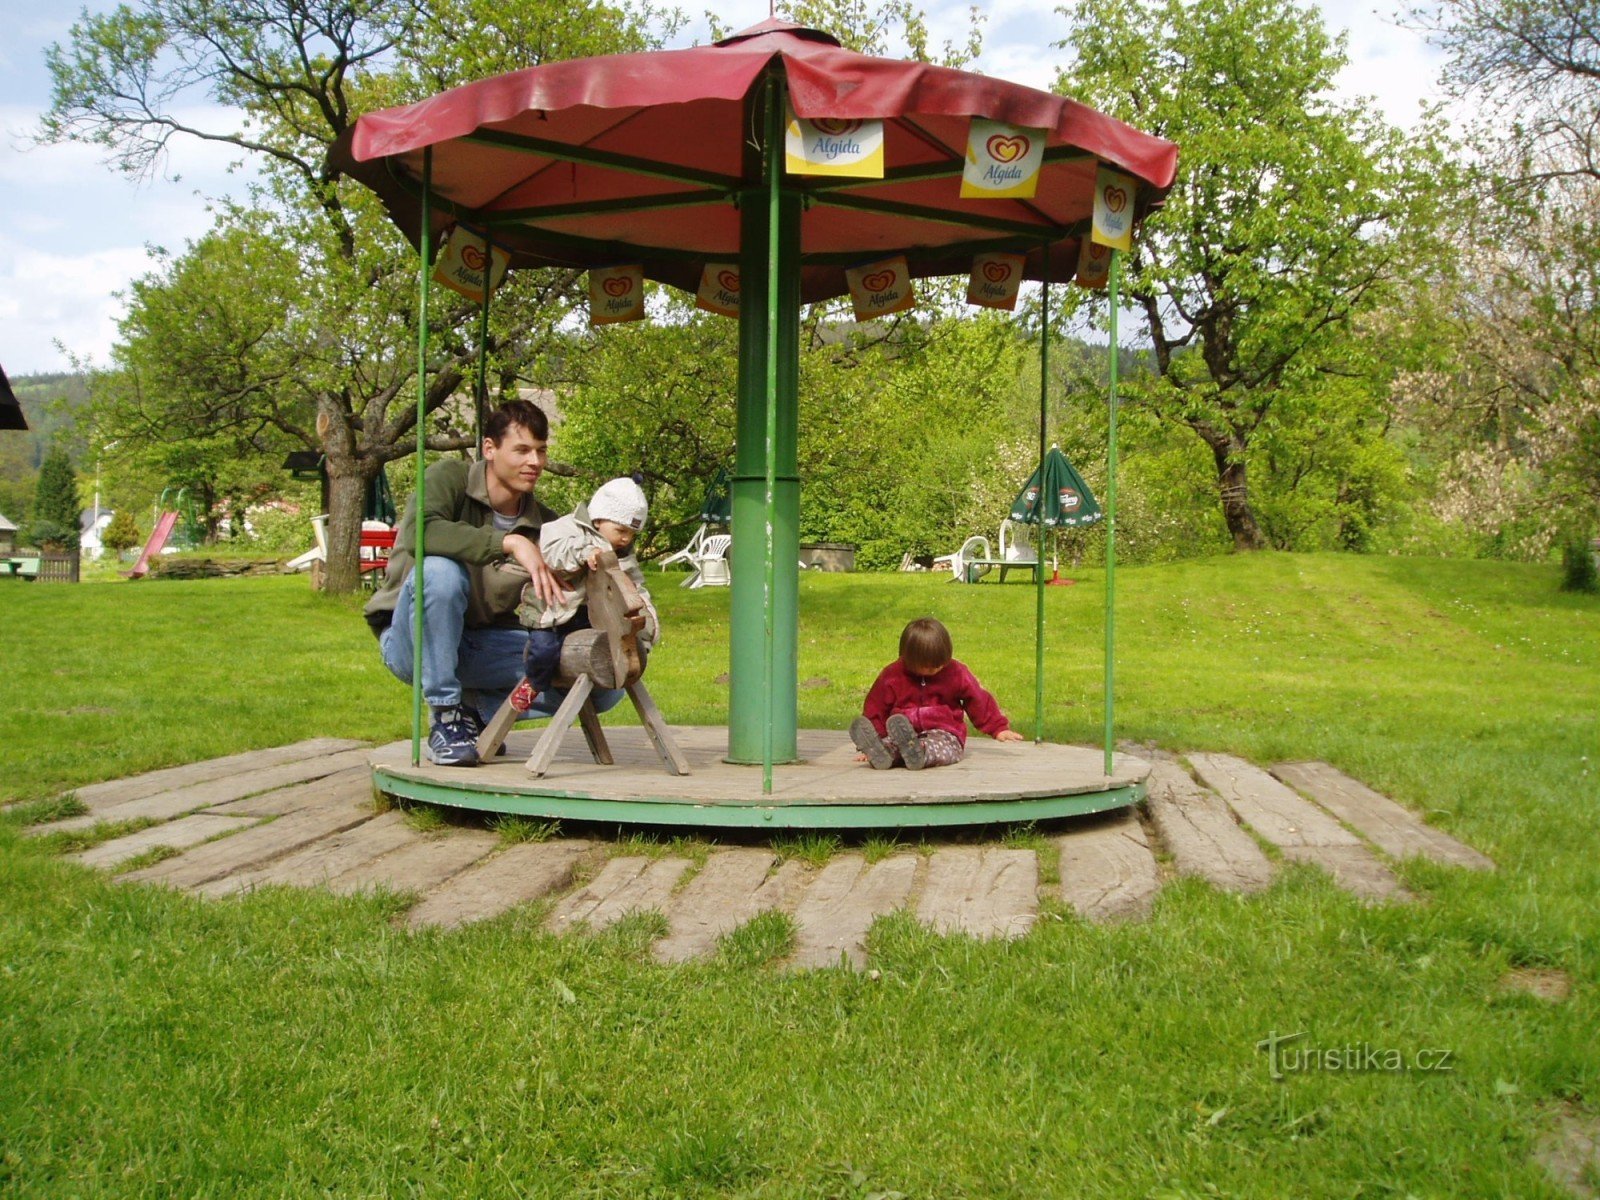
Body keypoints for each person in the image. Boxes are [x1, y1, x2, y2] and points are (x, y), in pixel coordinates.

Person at [363, 399, 621, 767]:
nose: (534, 462)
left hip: (478, 646)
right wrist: (510, 542)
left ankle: (480, 712)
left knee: (601, 680)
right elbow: (424, 531)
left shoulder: (545, 526)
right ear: (489, 449)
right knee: (439, 572)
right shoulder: (449, 479)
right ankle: (446, 714)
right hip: (411, 642)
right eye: (521, 450)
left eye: (541, 451)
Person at [511, 477, 660, 711]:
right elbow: (552, 551)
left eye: (632, 533)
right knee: (544, 650)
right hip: (553, 611)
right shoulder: (565, 528)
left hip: (589, 616)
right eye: (621, 530)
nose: (626, 538)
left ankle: (592, 691)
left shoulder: (623, 554)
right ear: (599, 519)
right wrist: (585, 552)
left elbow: (635, 589)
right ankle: (534, 683)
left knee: (609, 646)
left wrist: (646, 628)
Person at [850, 616, 1024, 770]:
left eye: (938, 665)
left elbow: (977, 699)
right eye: (925, 666)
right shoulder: (893, 675)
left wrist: (998, 728)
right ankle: (879, 752)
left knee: (942, 749)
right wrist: (876, 738)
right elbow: (876, 707)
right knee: (892, 745)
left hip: (944, 733)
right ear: (907, 658)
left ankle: (921, 754)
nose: (933, 670)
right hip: (901, 732)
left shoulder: (956, 672)